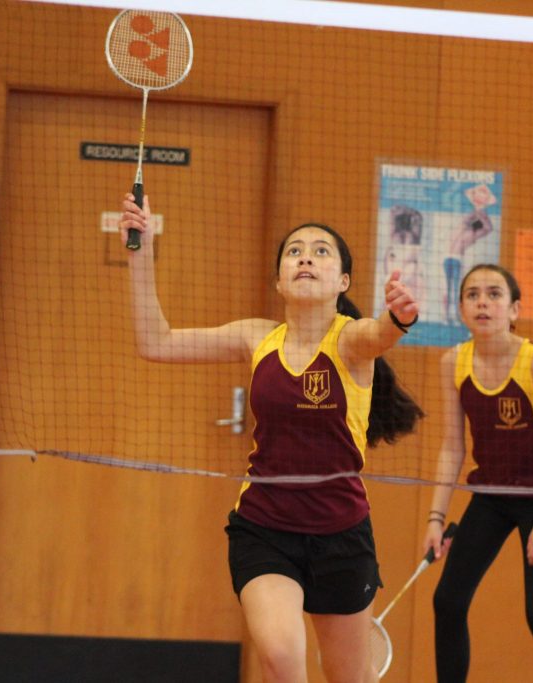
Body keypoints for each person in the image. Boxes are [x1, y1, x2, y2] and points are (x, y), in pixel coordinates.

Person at [120, 194, 424, 683]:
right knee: (282, 659)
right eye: (295, 251)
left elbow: (381, 334)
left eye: (322, 251)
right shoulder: (255, 337)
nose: (306, 256)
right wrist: (141, 254)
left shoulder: (351, 340)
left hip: (342, 536)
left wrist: (399, 317)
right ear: (280, 280)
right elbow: (156, 341)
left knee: (350, 677)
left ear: (343, 281)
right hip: (264, 528)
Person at [423, 264, 533, 683]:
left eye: (493, 294)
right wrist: (436, 519)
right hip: (490, 497)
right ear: (460, 309)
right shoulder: (452, 363)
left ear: (514, 310)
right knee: (448, 602)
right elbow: (453, 447)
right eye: (472, 295)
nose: (482, 302)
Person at [443, 209, 493, 325]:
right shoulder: (470, 232)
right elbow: (488, 228)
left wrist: (479, 212)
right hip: (454, 260)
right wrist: (482, 213)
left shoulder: (463, 229)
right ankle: (451, 317)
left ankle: (449, 317)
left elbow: (482, 226)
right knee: (453, 290)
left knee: (451, 290)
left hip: (449, 259)